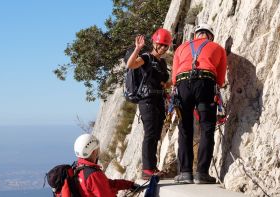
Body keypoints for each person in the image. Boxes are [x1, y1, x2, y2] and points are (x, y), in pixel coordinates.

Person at [171, 23, 227, 184]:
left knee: (185, 128)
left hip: (183, 85)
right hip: (205, 84)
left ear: (195, 35)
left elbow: (174, 78)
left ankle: (185, 173)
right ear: (210, 36)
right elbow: (221, 80)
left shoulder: (181, 48)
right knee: (207, 128)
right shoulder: (217, 47)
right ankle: (202, 173)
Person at [126, 28, 172, 179]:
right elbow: (131, 64)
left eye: (166, 45)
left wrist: (178, 76)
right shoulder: (146, 57)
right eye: (162, 44)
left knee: (156, 134)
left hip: (159, 100)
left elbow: (165, 83)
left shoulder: (163, 63)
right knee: (150, 134)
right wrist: (138, 48)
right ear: (154, 43)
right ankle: (147, 170)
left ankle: (152, 167)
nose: (164, 48)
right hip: (147, 101)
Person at [74, 134, 139, 196]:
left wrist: (129, 185)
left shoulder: (79, 168)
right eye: (97, 148)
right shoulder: (93, 175)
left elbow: (106, 184)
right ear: (93, 152)